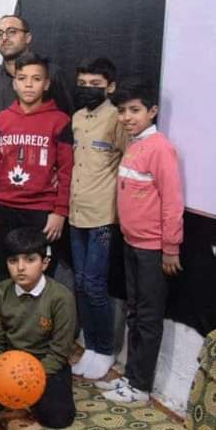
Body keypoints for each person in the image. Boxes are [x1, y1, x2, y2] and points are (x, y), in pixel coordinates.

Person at [97, 80, 184, 405]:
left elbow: (172, 201)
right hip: (131, 243)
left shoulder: (160, 148)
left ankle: (141, 386)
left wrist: (170, 247)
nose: (127, 117)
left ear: (153, 111)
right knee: (134, 312)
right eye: (122, 111)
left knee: (148, 317)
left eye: (135, 110)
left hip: (153, 249)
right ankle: (131, 377)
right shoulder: (135, 144)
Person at [0, 228, 77, 428]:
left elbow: (60, 351)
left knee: (58, 418)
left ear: (44, 263)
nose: (20, 268)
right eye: (13, 261)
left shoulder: (61, 297)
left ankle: (32, 399)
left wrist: (30, 380)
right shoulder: (0, 291)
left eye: (30, 260)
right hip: (8, 366)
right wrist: (4, 374)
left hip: (45, 367)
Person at [0, 52, 73, 285]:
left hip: (42, 211)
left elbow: (67, 171)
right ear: (14, 83)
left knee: (40, 275)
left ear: (46, 84)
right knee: (1, 271)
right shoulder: (1, 120)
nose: (28, 85)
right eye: (22, 78)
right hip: (4, 208)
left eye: (36, 79)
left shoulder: (60, 121)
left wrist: (60, 212)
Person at [0, 14, 73, 205]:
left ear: (28, 37)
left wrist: (61, 172)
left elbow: (67, 125)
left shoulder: (52, 74)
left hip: (42, 187)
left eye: (12, 32)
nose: (5, 38)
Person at [69, 58, 128, 381]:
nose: (87, 90)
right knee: (80, 283)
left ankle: (105, 349)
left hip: (103, 215)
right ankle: (90, 346)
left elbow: (129, 161)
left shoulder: (117, 118)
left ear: (111, 86)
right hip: (76, 212)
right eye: (83, 84)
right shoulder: (77, 118)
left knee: (94, 284)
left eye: (95, 85)